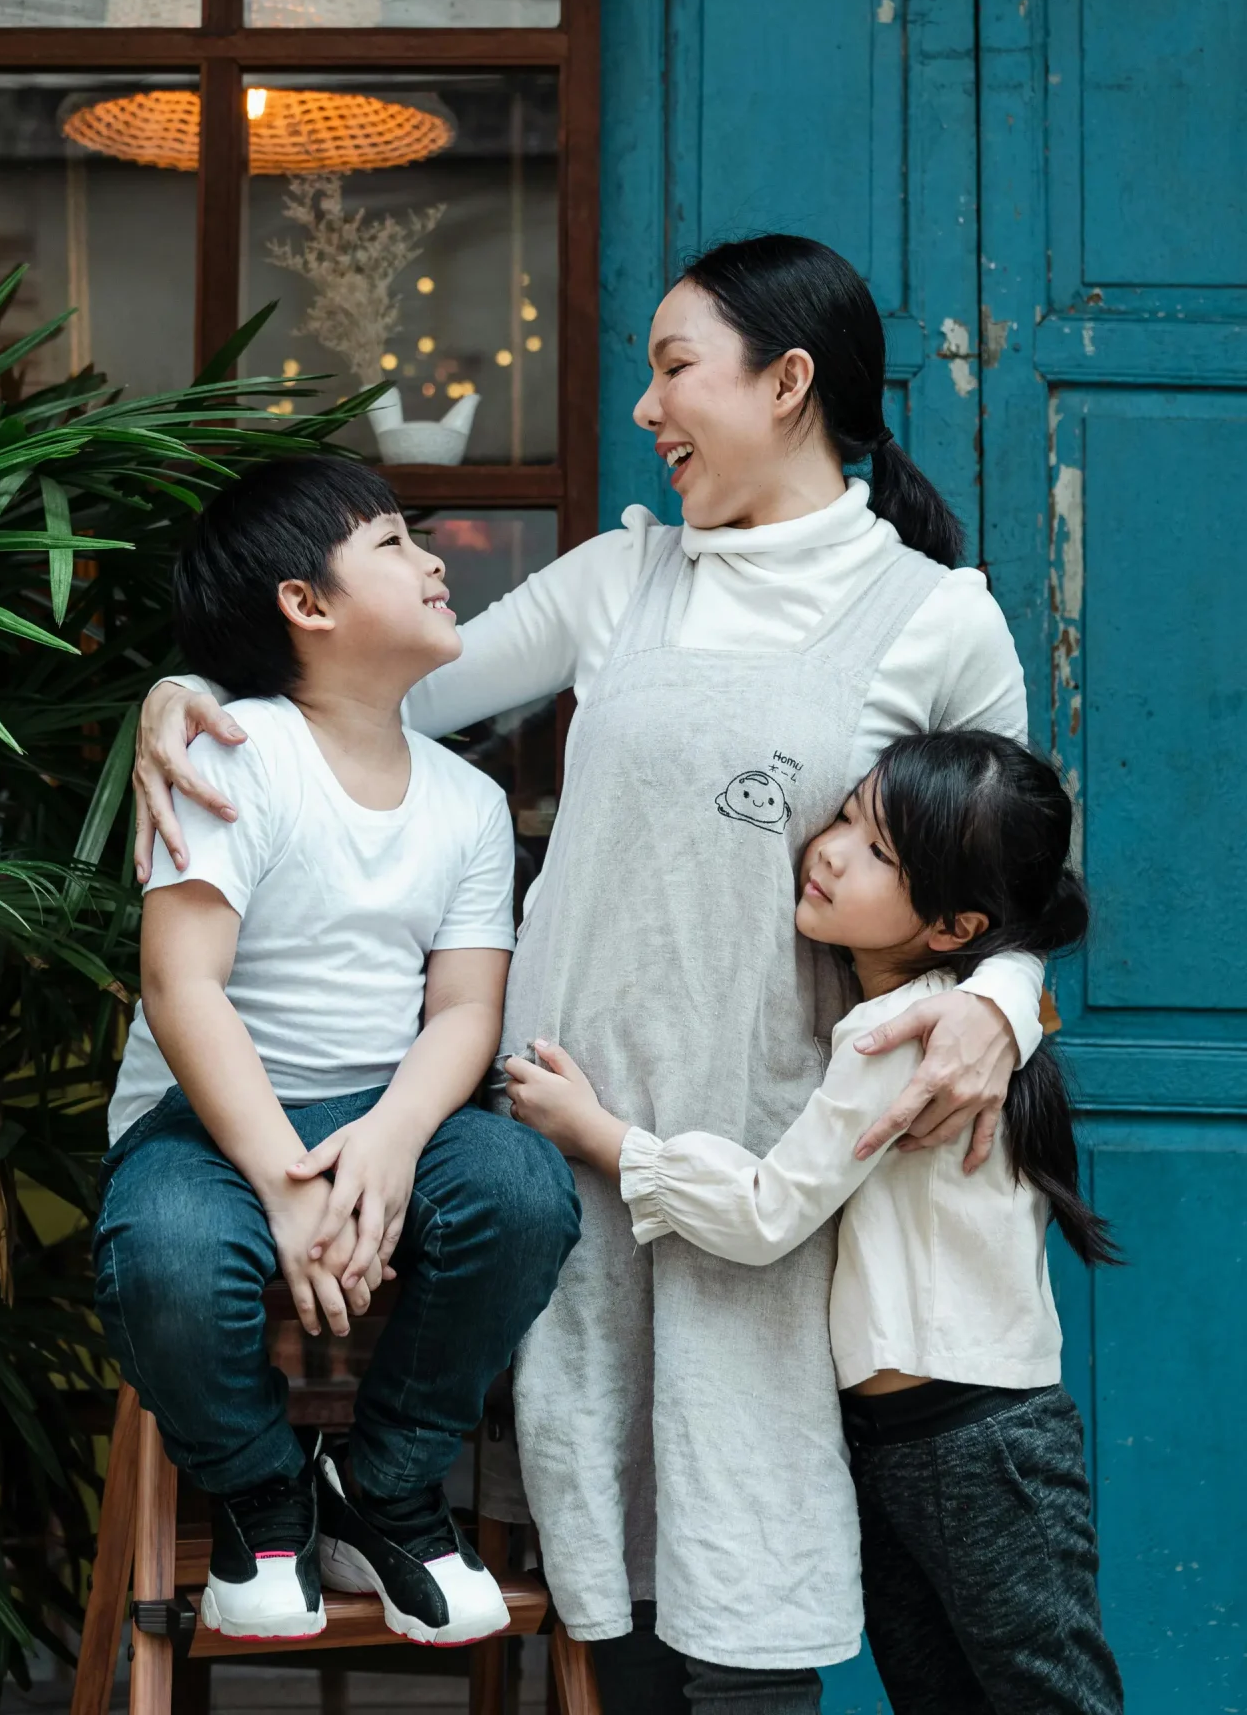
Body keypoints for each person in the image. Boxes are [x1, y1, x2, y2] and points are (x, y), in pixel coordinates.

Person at [134, 236, 1045, 1712]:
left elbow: (1018, 886)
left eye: (676, 367)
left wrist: (998, 1012)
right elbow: (362, 689)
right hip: (563, 1126)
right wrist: (183, 699)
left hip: (757, 1155)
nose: (646, 408)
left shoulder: (935, 618)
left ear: (790, 382)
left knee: (749, 1558)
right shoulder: (625, 575)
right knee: (589, 1560)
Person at [506, 729, 1124, 1715]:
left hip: (976, 1434)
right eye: (843, 816)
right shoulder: (923, 1009)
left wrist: (601, 1136)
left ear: (953, 923)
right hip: (900, 1436)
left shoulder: (908, 1032)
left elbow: (766, 1214)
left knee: (1045, 1699)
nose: (829, 849)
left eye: (878, 851)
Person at [94, 456, 580, 1647]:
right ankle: (267, 1497)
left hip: (381, 1108)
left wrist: (394, 1141)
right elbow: (181, 983)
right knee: (161, 1253)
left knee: (521, 1191)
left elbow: (465, 1010)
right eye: (394, 543)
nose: (433, 562)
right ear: (306, 606)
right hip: (214, 1126)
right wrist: (280, 1179)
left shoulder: (465, 802)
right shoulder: (233, 750)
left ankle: (386, 1481)